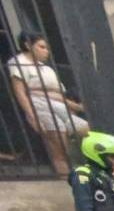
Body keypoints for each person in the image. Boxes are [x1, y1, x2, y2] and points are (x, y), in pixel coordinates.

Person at [8, 30, 89, 175]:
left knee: (85, 129)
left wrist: (73, 106)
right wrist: (33, 116)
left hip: (60, 105)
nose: (46, 51)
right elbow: (20, 92)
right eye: (41, 47)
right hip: (40, 107)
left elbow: (59, 93)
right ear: (27, 45)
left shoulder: (46, 68)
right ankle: (65, 178)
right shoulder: (19, 63)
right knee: (58, 143)